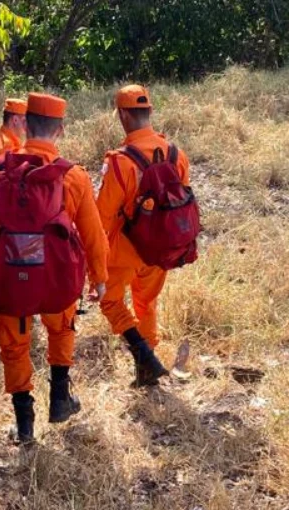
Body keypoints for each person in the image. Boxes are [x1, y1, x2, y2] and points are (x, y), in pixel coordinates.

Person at [0, 93, 109, 444]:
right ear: (61, 129)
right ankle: (60, 398)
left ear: (24, 125)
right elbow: (93, 234)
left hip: (9, 278)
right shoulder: (73, 176)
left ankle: (24, 425)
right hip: (56, 278)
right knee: (62, 328)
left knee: (13, 344)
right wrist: (99, 278)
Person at [95, 85, 192, 387]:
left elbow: (102, 216)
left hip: (124, 249)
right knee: (146, 302)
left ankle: (143, 355)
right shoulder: (177, 155)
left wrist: (93, 259)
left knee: (110, 300)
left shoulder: (120, 161)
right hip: (162, 248)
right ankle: (146, 369)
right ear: (149, 112)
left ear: (122, 115)